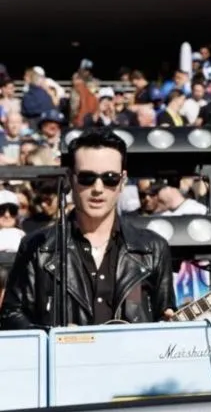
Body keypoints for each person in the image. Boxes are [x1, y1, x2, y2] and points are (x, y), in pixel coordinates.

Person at [0, 129, 176, 329]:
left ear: (123, 180)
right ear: (70, 178)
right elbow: (10, 316)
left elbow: (165, 320)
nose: (98, 188)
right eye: (87, 177)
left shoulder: (153, 248)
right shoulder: (38, 246)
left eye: (110, 178)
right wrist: (54, 338)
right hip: (61, 360)